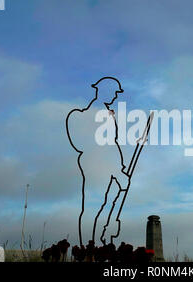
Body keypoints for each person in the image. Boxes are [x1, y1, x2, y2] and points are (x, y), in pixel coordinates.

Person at [66, 77, 130, 246]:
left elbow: (111, 144)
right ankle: (89, 244)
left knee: (110, 201)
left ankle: (101, 237)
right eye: (114, 93)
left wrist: (119, 167)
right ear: (104, 91)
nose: (116, 96)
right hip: (98, 166)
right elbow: (101, 146)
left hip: (112, 165)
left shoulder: (106, 113)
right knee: (94, 205)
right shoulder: (92, 115)